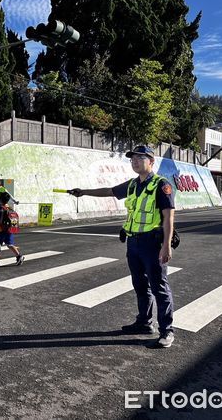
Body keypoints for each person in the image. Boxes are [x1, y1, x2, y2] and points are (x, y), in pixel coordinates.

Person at [70, 145, 176, 349]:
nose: (135, 161)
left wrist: (167, 246)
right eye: (132, 158)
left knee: (159, 287)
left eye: (140, 158)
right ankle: (144, 323)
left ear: (151, 162)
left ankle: (167, 331)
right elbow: (109, 191)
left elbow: (168, 217)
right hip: (133, 243)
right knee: (140, 285)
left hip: (152, 244)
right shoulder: (132, 185)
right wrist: (83, 192)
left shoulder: (162, 185)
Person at [0, 192, 24, 265]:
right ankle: (18, 256)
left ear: (0, 199)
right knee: (10, 244)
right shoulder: (10, 208)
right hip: (9, 230)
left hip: (1, 230)